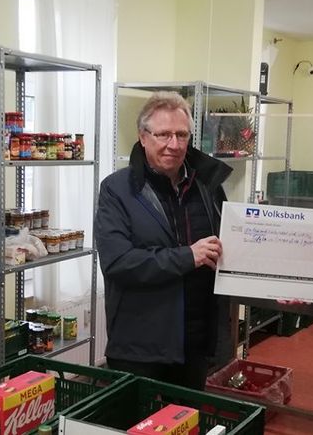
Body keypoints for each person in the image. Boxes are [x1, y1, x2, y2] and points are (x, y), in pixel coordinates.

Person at [95, 91, 232, 390]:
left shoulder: (207, 186)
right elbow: (118, 262)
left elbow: (231, 251)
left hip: (195, 343)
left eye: (182, 135)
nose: (174, 144)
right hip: (141, 345)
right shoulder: (118, 190)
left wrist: (273, 283)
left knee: (188, 415)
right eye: (163, 134)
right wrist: (187, 257)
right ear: (143, 137)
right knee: (138, 416)